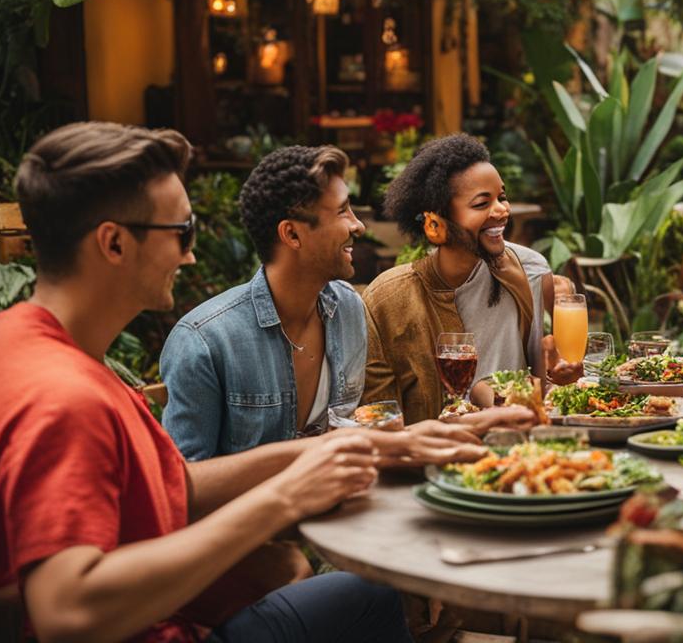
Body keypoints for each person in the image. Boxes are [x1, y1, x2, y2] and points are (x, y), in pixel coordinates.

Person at [0, 122, 488, 642]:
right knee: (370, 596)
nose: (189, 255)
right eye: (180, 232)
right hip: (173, 629)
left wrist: (362, 446)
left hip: (191, 605)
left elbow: (171, 487)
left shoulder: (29, 345)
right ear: (114, 243)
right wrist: (283, 498)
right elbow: (64, 612)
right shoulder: (65, 395)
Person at [161, 146, 533, 460]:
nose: (359, 226)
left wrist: (460, 427)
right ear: (291, 234)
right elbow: (179, 489)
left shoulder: (348, 311)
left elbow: (367, 438)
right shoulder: (205, 343)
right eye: (342, 212)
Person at [361, 134, 577, 424]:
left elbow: (542, 388)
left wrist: (559, 375)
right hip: (435, 458)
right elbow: (377, 418)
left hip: (520, 449)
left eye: (502, 197)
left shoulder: (529, 269)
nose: (501, 211)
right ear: (435, 224)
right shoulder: (388, 301)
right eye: (481, 204)